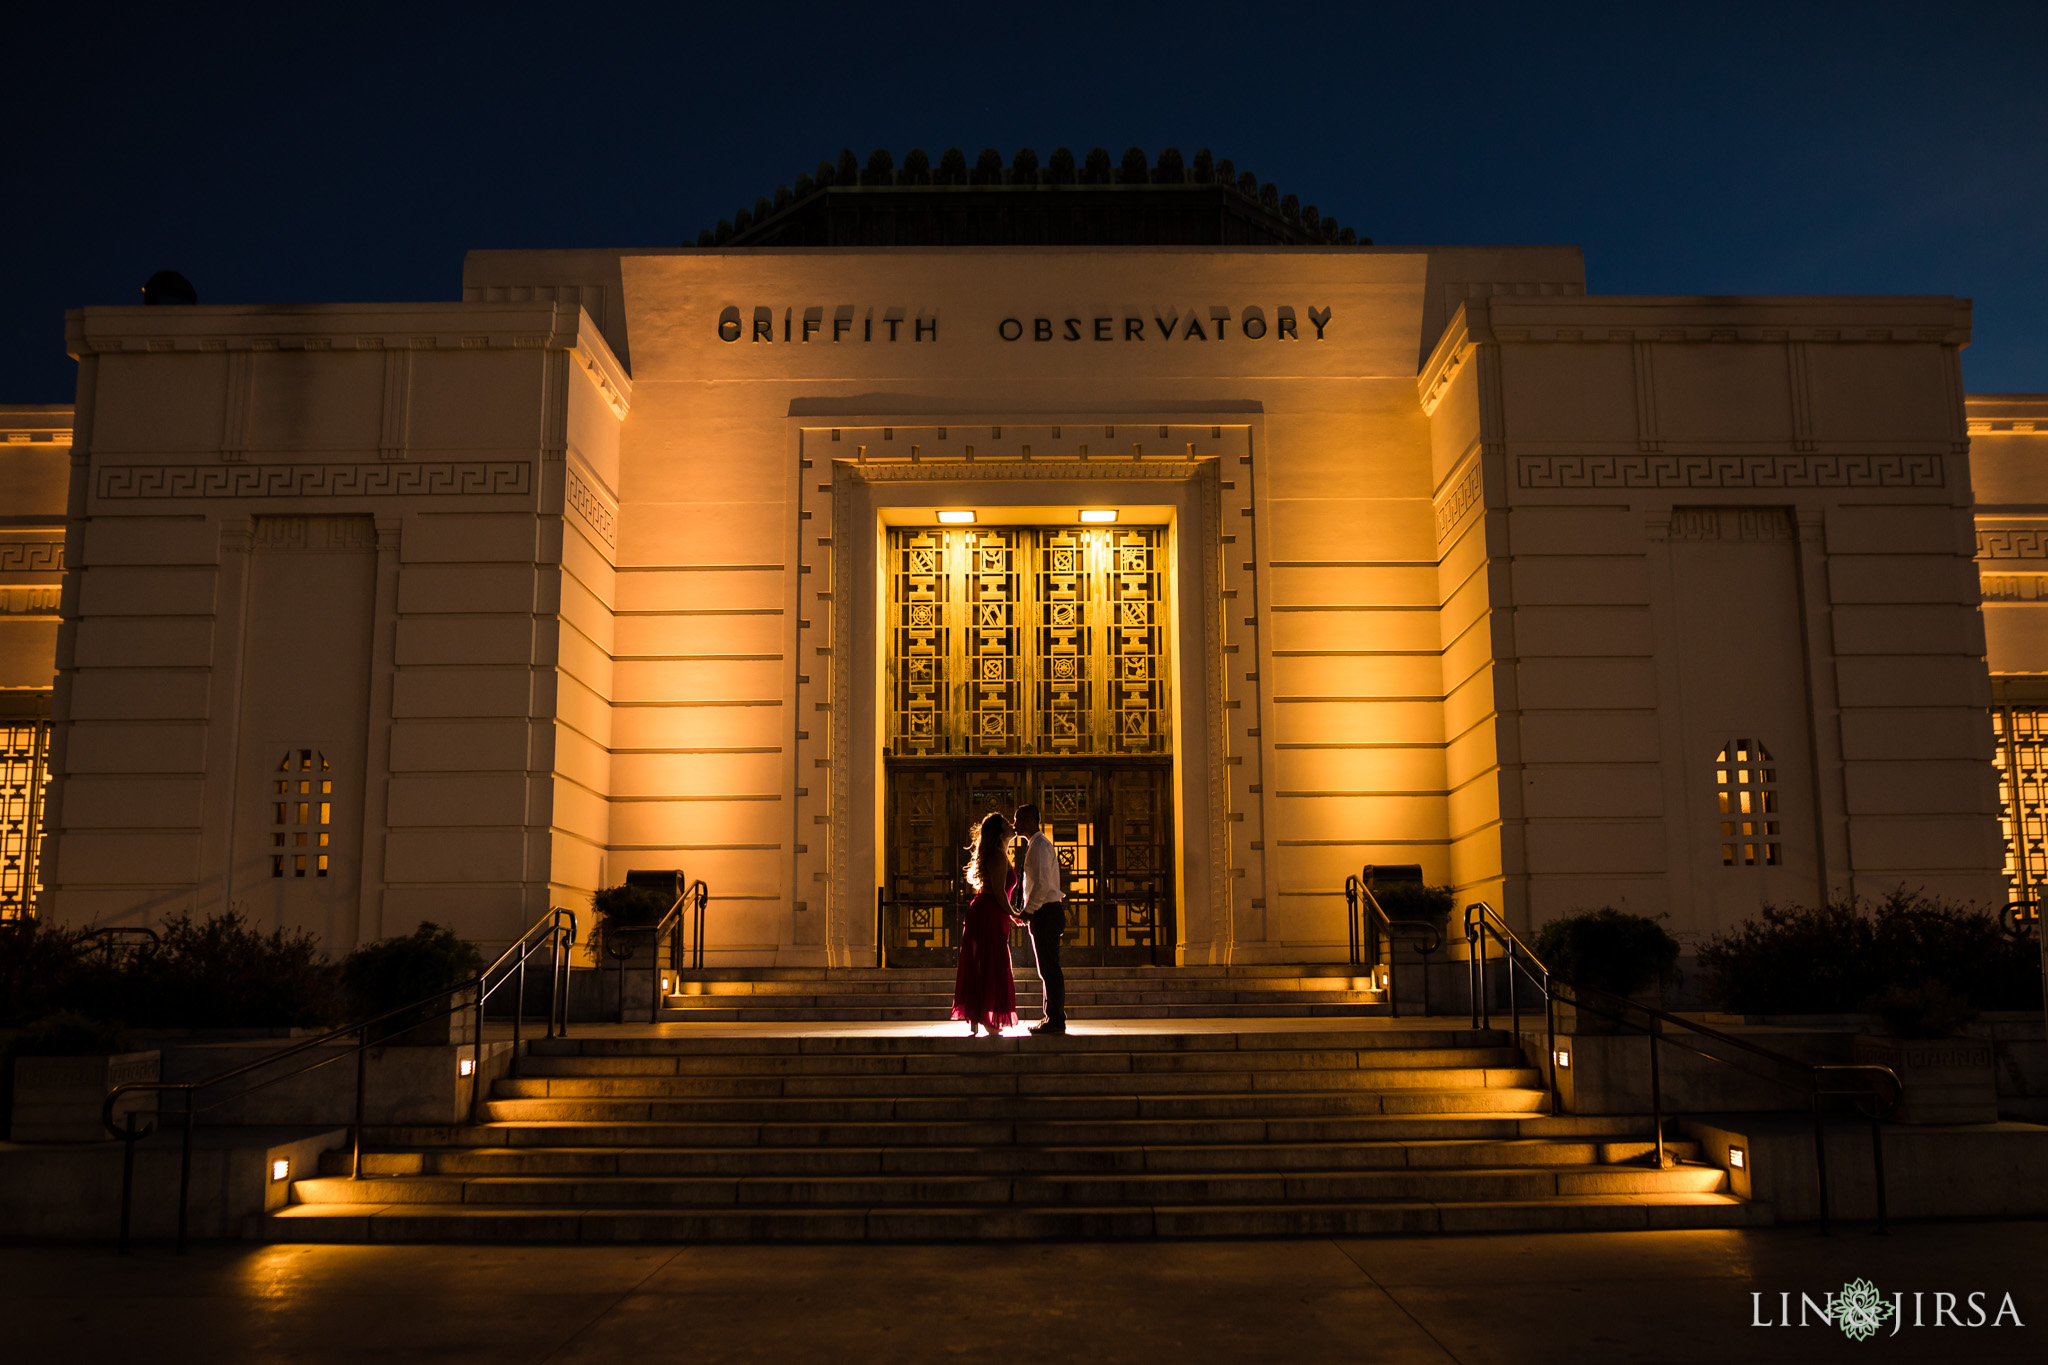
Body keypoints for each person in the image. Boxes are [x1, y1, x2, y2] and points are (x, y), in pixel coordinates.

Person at [950, 812, 1019, 1038]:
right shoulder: (998, 856)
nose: (1012, 826)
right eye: (1008, 823)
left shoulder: (999, 854)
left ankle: (977, 1018)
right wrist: (1014, 913)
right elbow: (999, 893)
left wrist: (1008, 913)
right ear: (1000, 832)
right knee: (992, 963)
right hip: (990, 913)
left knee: (982, 963)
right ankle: (988, 1020)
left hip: (986, 911)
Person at [1010, 802, 1067, 1035]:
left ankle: (1055, 1019)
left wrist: (1028, 911)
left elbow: (1042, 885)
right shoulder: (1036, 845)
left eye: (1018, 819)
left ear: (1031, 821)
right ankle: (1052, 1017)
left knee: (1049, 967)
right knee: (1047, 968)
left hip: (1046, 912)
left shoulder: (1039, 847)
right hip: (1044, 912)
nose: (1015, 825)